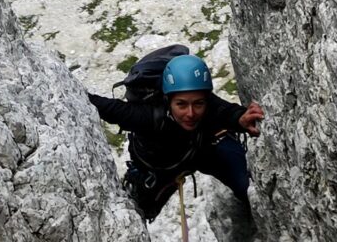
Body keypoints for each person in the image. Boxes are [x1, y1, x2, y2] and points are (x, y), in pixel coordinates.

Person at [88, 53, 265, 221]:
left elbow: (224, 111)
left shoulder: (206, 103)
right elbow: (107, 108)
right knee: (139, 211)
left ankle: (255, 216)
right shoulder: (147, 117)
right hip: (161, 170)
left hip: (203, 150)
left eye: (198, 104)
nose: (191, 113)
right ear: (167, 100)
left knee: (247, 188)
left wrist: (240, 118)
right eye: (181, 104)